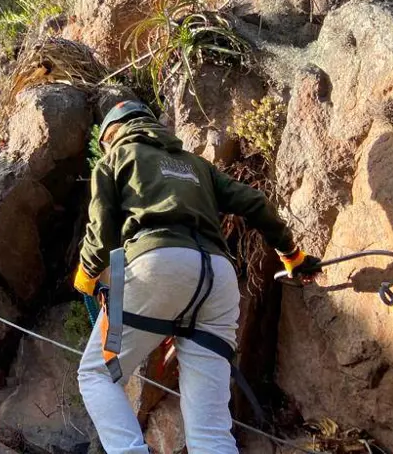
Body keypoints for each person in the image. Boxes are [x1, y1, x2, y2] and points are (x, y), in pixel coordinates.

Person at [74, 101, 321, 454]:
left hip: (154, 266)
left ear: (110, 135)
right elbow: (255, 202)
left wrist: (84, 276)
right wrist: (291, 255)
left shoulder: (113, 159)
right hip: (218, 279)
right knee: (211, 433)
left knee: (97, 374)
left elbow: (101, 238)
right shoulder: (196, 165)